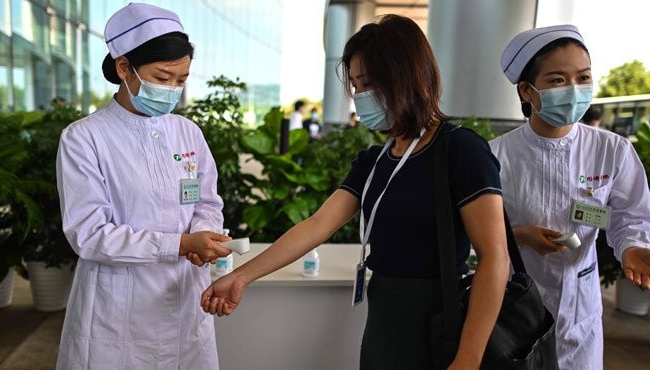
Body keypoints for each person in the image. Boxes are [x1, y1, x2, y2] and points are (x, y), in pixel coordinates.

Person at [200, 14, 510, 369]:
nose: (361, 96)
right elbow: (317, 224)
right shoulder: (375, 160)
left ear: (407, 76)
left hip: (443, 323)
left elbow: (494, 257)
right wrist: (241, 276)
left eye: (369, 83)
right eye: (357, 85)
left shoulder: (460, 149)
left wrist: (468, 359)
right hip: (384, 320)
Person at [55, 3, 232, 369]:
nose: (172, 90)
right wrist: (181, 244)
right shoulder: (85, 138)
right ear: (124, 68)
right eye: (162, 77)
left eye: (181, 80)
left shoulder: (187, 132)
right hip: (117, 308)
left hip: (185, 296)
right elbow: (89, 234)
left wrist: (203, 236)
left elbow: (207, 202)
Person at [490, 24, 650, 369]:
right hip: (512, 308)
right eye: (558, 80)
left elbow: (629, 217)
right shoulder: (496, 156)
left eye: (583, 77)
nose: (574, 90)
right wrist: (519, 237)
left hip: (580, 310)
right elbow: (471, 233)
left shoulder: (611, 150)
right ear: (527, 91)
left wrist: (634, 246)